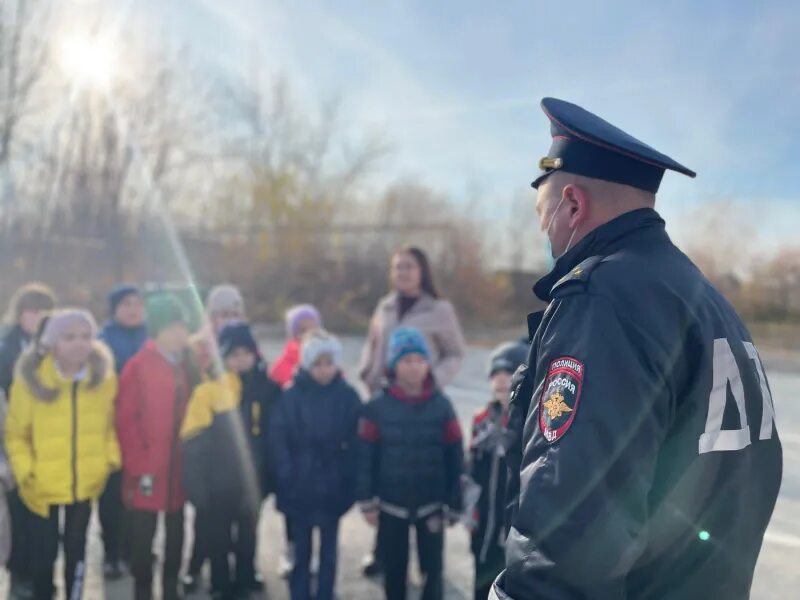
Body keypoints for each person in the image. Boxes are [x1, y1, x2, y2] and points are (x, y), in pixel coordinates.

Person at [492, 98, 783, 599]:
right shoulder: (703, 299)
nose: (545, 231)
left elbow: (570, 533)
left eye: (544, 215)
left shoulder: (604, 300)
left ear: (573, 206)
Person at [358, 246, 466, 576]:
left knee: (415, 469)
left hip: (422, 403)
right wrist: (367, 373)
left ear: (422, 272)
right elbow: (373, 344)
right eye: (397, 267)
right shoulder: (385, 306)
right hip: (385, 401)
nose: (402, 272)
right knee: (385, 472)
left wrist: (433, 377)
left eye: (409, 267)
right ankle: (382, 552)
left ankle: (425, 562)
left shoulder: (439, 309)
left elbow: (455, 353)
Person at [5, 309, 119, 600]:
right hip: (41, 486)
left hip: (84, 484)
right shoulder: (30, 382)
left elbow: (110, 425)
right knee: (43, 553)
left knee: (77, 549)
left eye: (85, 336)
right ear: (52, 343)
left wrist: (108, 460)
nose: (79, 343)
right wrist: (26, 471)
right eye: (69, 337)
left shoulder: (102, 380)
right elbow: (16, 434)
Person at [357, 327, 464, 600]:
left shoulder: (442, 405)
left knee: (433, 572)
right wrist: (366, 500)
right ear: (394, 365)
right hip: (392, 505)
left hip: (432, 506)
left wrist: (455, 501)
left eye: (420, 360)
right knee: (394, 572)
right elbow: (365, 456)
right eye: (407, 361)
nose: (414, 367)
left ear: (428, 364)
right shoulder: (377, 407)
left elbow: (455, 456)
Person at [181, 322, 281, 599]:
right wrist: (196, 484)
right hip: (217, 483)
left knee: (248, 534)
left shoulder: (269, 390)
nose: (240, 360)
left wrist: (272, 477)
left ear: (255, 354)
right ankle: (220, 581)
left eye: (246, 353)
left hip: (254, 480)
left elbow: (277, 439)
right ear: (221, 357)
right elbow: (192, 441)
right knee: (218, 537)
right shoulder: (208, 392)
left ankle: (247, 575)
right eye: (233, 355)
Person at [116, 295, 199, 600]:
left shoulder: (189, 364)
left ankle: (170, 588)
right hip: (147, 467)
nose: (181, 335)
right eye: (174, 328)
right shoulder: (138, 366)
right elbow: (126, 419)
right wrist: (141, 462)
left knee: (177, 532)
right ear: (158, 330)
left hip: (180, 465)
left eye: (184, 327)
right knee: (143, 535)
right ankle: (142, 591)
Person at [270, 329, 362, 600]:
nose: (324, 371)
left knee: (329, 550)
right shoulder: (291, 396)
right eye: (317, 365)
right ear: (306, 365)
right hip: (299, 482)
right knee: (301, 549)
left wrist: (349, 476)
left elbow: (358, 439)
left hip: (333, 483)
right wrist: (285, 473)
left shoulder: (347, 396)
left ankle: (326, 592)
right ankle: (299, 593)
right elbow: (278, 437)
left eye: (329, 363)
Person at [183, 283, 249, 592]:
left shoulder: (244, 343)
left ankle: (245, 569)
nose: (227, 318)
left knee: (241, 519)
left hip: (234, 445)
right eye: (221, 313)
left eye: (234, 312)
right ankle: (196, 565)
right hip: (202, 433)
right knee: (205, 517)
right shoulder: (196, 347)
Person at [0, 282, 56, 598]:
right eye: (32, 311)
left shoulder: (56, 346)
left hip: (48, 442)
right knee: (17, 513)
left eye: (45, 311)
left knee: (43, 518)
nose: (38, 317)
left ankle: (41, 575)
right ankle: (19, 573)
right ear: (20, 313)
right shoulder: (6, 346)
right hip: (13, 439)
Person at [466, 341, 527, 600]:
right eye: (496, 375)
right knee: (481, 581)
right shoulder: (482, 422)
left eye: (508, 374)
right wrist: (469, 512)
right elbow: (469, 472)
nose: (501, 381)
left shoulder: (528, 421)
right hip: (484, 523)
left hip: (514, 527)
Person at [268, 303, 323, 578]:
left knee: (317, 504)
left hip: (321, 450)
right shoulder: (282, 366)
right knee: (291, 503)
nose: (306, 334)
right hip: (292, 447)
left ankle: (311, 553)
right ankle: (291, 549)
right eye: (300, 330)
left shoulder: (326, 361)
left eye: (311, 328)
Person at [98, 284, 148, 579]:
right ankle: (111, 553)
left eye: (137, 304)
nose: (132, 309)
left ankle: (134, 549)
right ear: (114, 309)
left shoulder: (151, 338)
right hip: (110, 428)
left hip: (144, 429)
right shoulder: (102, 342)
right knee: (111, 496)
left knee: (140, 493)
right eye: (126, 304)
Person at [270, 304, 323, 388]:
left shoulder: (329, 363)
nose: (308, 335)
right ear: (293, 334)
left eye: (313, 331)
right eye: (303, 331)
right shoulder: (280, 368)